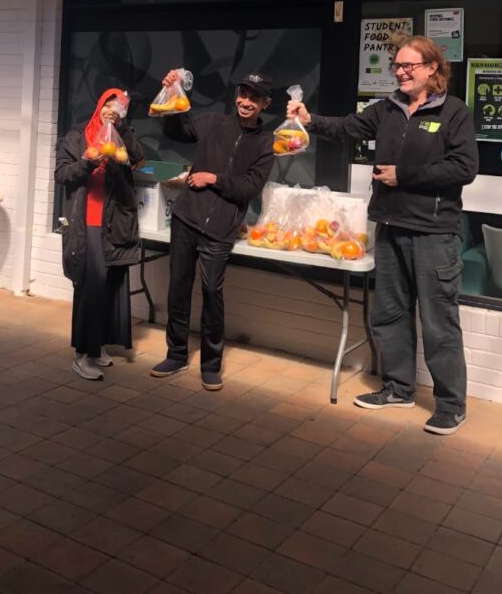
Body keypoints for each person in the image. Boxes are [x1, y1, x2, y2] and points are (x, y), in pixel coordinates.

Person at [287, 35, 477, 434]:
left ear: (432, 69)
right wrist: (309, 120)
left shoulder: (454, 112)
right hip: (390, 228)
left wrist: (403, 175)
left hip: (433, 233)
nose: (401, 72)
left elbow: (464, 168)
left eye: (410, 65)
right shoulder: (387, 109)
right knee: (390, 314)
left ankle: (450, 404)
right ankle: (399, 389)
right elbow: (346, 128)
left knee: (439, 321)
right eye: (397, 65)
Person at [151, 72, 274, 391]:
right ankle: (176, 354)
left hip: (221, 228)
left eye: (253, 98)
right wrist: (170, 93)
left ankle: (211, 364)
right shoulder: (212, 122)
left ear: (264, 104)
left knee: (211, 293)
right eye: (242, 94)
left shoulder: (265, 144)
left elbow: (250, 187)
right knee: (178, 288)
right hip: (186, 218)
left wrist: (213, 179)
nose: (245, 102)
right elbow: (176, 130)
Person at [55, 89, 144, 381]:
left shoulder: (121, 135)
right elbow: (63, 175)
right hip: (85, 221)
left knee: (111, 285)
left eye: (118, 106)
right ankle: (82, 353)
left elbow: (138, 159)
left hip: (114, 221)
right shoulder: (77, 137)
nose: (111, 109)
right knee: (91, 284)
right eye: (108, 104)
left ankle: (98, 346)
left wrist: (122, 128)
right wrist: (89, 160)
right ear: (99, 105)